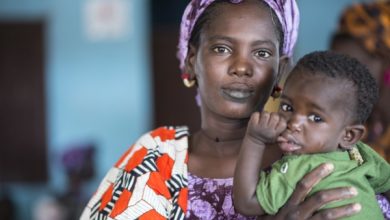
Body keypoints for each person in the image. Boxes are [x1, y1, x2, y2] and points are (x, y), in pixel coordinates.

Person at [81, 1, 382, 219]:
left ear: (281, 72)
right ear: (191, 61)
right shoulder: (156, 159)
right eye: (222, 48)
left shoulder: (324, 161)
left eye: (262, 52)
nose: (242, 67)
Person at [233, 50, 390, 219]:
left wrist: (255, 140)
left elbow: (247, 203)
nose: (293, 124)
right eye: (287, 108)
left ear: (349, 136)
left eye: (315, 118)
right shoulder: (359, 153)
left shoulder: (298, 167)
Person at [330, 1, 390, 163]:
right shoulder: (359, 120)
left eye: (353, 64)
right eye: (336, 66)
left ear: (385, 60)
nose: (341, 77)